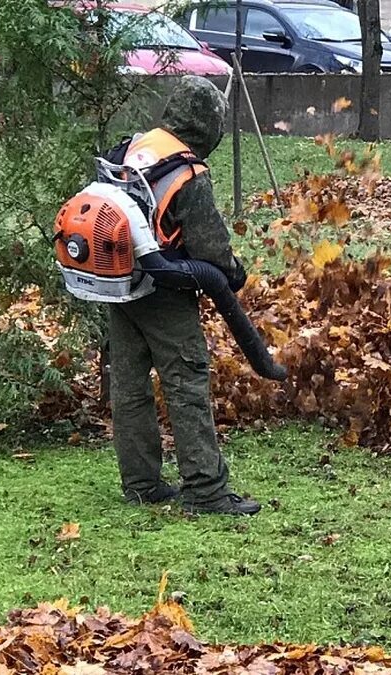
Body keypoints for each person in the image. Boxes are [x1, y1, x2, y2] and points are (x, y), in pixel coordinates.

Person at [107, 76, 260, 516]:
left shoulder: (132, 146)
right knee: (186, 379)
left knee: (130, 385)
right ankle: (206, 489)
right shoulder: (187, 171)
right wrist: (233, 275)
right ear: (209, 125)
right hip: (165, 289)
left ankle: (141, 482)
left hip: (119, 281)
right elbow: (209, 246)